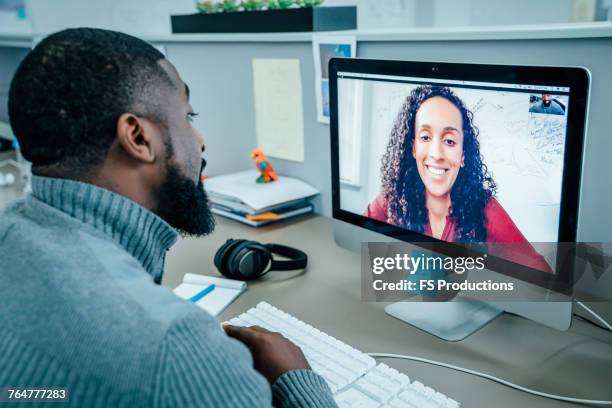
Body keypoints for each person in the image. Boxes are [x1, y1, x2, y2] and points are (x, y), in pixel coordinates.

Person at [0, 28, 336, 407]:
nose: (201, 140)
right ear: (138, 137)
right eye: (188, 116)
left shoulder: (9, 232)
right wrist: (296, 380)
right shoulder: (172, 345)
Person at [365, 85, 551, 272]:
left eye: (449, 141)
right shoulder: (394, 197)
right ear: (413, 148)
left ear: (463, 155)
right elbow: (358, 237)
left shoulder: (485, 210)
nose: (436, 154)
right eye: (425, 137)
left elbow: (542, 275)